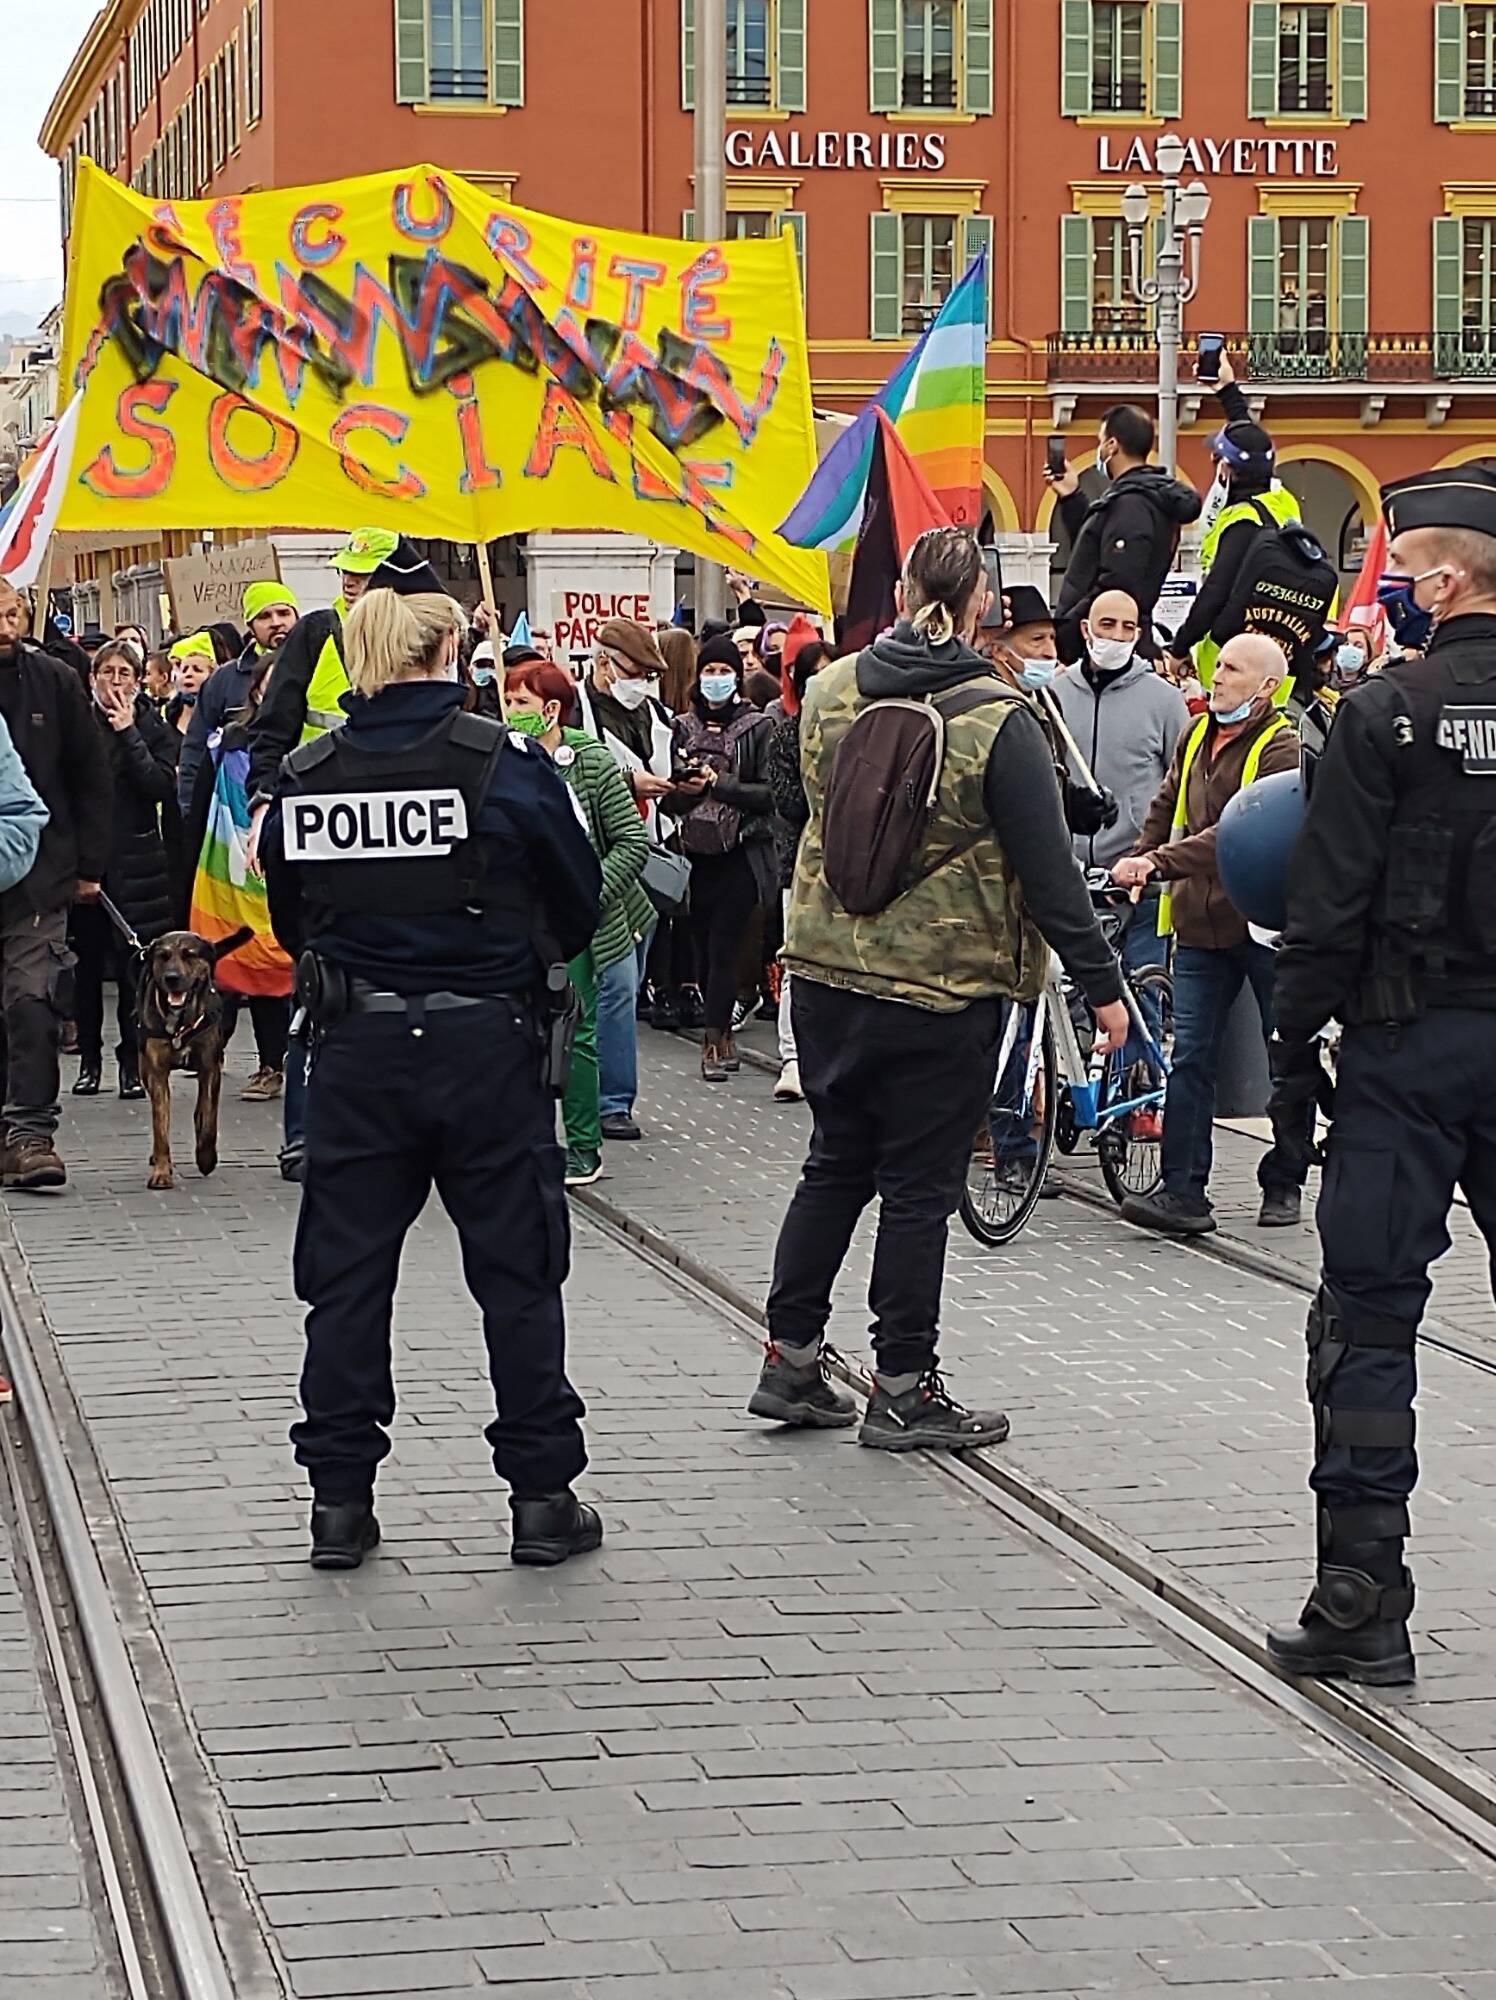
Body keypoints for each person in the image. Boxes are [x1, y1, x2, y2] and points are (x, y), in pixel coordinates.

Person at [753, 528, 1129, 1449]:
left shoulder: (833, 689)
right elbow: (1049, 876)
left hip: (827, 968)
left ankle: (790, 1359)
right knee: (919, 1189)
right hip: (942, 984)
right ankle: (905, 1386)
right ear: (978, 608)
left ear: (902, 588)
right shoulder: (1002, 718)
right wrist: (1105, 987)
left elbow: (807, 808)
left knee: (834, 1163)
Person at [260, 587, 603, 1572]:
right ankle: (541, 1498)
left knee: (346, 1279)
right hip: (485, 1052)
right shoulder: (504, 764)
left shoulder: (309, 776)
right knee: (518, 1275)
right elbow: (575, 900)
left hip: (358, 1054)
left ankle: (339, 1503)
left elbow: (295, 922)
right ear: (450, 649)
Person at [1263, 468, 1496, 1687]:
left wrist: (1291, 1057)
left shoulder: (1382, 712)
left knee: (1365, 1317)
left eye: (1404, 566)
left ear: (1445, 579)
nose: (1392, 584)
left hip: (1403, 1052)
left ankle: (1360, 1589)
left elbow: (1326, 907)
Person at [1112, 633, 1310, 1238]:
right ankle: (1183, 1193)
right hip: (1200, 928)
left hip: (1265, 926)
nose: (1217, 676)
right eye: (1217, 664)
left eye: (1231, 668)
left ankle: (1285, 1177)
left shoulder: (1283, 748)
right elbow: (1165, 803)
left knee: (1289, 1056)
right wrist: (1139, 857)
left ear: (1267, 687)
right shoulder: (1196, 734)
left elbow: (1232, 834)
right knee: (1191, 1058)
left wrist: (1159, 863)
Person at [503, 659, 652, 1188]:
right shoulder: (502, 760)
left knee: (577, 1030)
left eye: (521, 703)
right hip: (519, 919)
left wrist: (583, 895)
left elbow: (633, 842)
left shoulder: (590, 761)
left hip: (577, 922)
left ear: (549, 709)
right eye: (507, 701)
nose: (510, 711)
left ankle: (583, 1145)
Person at [0, 578, 113, 1189]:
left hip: (41, 873)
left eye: (13, 610)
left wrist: (90, 866)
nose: (6, 622)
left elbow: (89, 773)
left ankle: (30, 1132)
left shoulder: (55, 681)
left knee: (31, 999)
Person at [1049, 589, 1191, 1016]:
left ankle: (1137, 1080)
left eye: (1128, 627)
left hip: (1138, 884)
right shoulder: (1055, 694)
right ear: (1086, 629)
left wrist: (1155, 858)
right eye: (1107, 624)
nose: (1117, 635)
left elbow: (1179, 789)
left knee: (1140, 1002)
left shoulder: (1165, 701)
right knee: (1070, 1009)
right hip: (1070, 880)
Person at [247, 530, 443, 804]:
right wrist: (263, 798)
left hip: (405, 796)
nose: (349, 583)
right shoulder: (314, 632)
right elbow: (272, 729)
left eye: (362, 575)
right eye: (344, 572)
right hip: (321, 799)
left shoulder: (428, 635)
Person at [574, 619, 673, 1139]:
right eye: (635, 673)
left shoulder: (653, 713)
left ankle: (603, 1090)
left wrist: (687, 780)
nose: (643, 684)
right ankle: (611, 1100)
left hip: (649, 864)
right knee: (613, 985)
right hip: (602, 861)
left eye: (649, 676)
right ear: (604, 663)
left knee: (625, 988)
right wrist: (626, 781)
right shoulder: (575, 709)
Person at [665, 637, 775, 1082]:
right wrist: (684, 791)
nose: (715, 680)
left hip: (740, 853)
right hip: (693, 854)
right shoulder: (680, 727)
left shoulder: (758, 728)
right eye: (707, 671)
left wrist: (720, 785)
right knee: (702, 947)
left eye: (723, 671)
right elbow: (666, 795)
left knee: (726, 946)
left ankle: (716, 1039)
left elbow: (770, 794)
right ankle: (715, 1026)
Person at [72, 641, 177, 1100]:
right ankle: (89, 1060)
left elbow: (158, 785)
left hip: (137, 863)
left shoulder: (150, 724)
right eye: (108, 673)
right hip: (85, 860)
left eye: (125, 674)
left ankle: (131, 1062)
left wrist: (129, 732)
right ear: (92, 676)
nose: (116, 682)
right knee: (85, 967)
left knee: (135, 969)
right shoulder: (76, 720)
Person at [1162, 354, 1292, 687]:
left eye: (1218, 456)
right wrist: (1227, 390)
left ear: (1227, 469)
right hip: (1277, 660)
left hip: (1237, 669)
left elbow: (1216, 591)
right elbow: (1254, 446)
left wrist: (1180, 647)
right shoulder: (1281, 503)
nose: (1212, 460)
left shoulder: (1243, 521)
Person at [1048, 405, 1201, 664]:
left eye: (1100, 442)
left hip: (1109, 648)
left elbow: (1118, 582)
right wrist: (1072, 498)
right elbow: (1096, 552)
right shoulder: (1133, 500)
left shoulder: (1133, 505)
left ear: (1112, 445)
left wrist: (1067, 632)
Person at [765, 621, 832, 1103]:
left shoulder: (859, 732)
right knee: (797, 960)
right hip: (798, 863)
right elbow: (788, 802)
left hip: (848, 866)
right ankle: (792, 1057)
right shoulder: (785, 735)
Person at [179, 580, 300, 814]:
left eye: (284, 613)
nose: (276, 623)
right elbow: (195, 750)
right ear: (250, 626)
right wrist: (190, 810)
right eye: (264, 616)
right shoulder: (224, 680)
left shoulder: (319, 667)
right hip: (238, 809)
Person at [165, 634, 215, 744]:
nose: (188, 674)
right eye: (184, 669)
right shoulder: (166, 717)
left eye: (197, 670)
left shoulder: (219, 719)